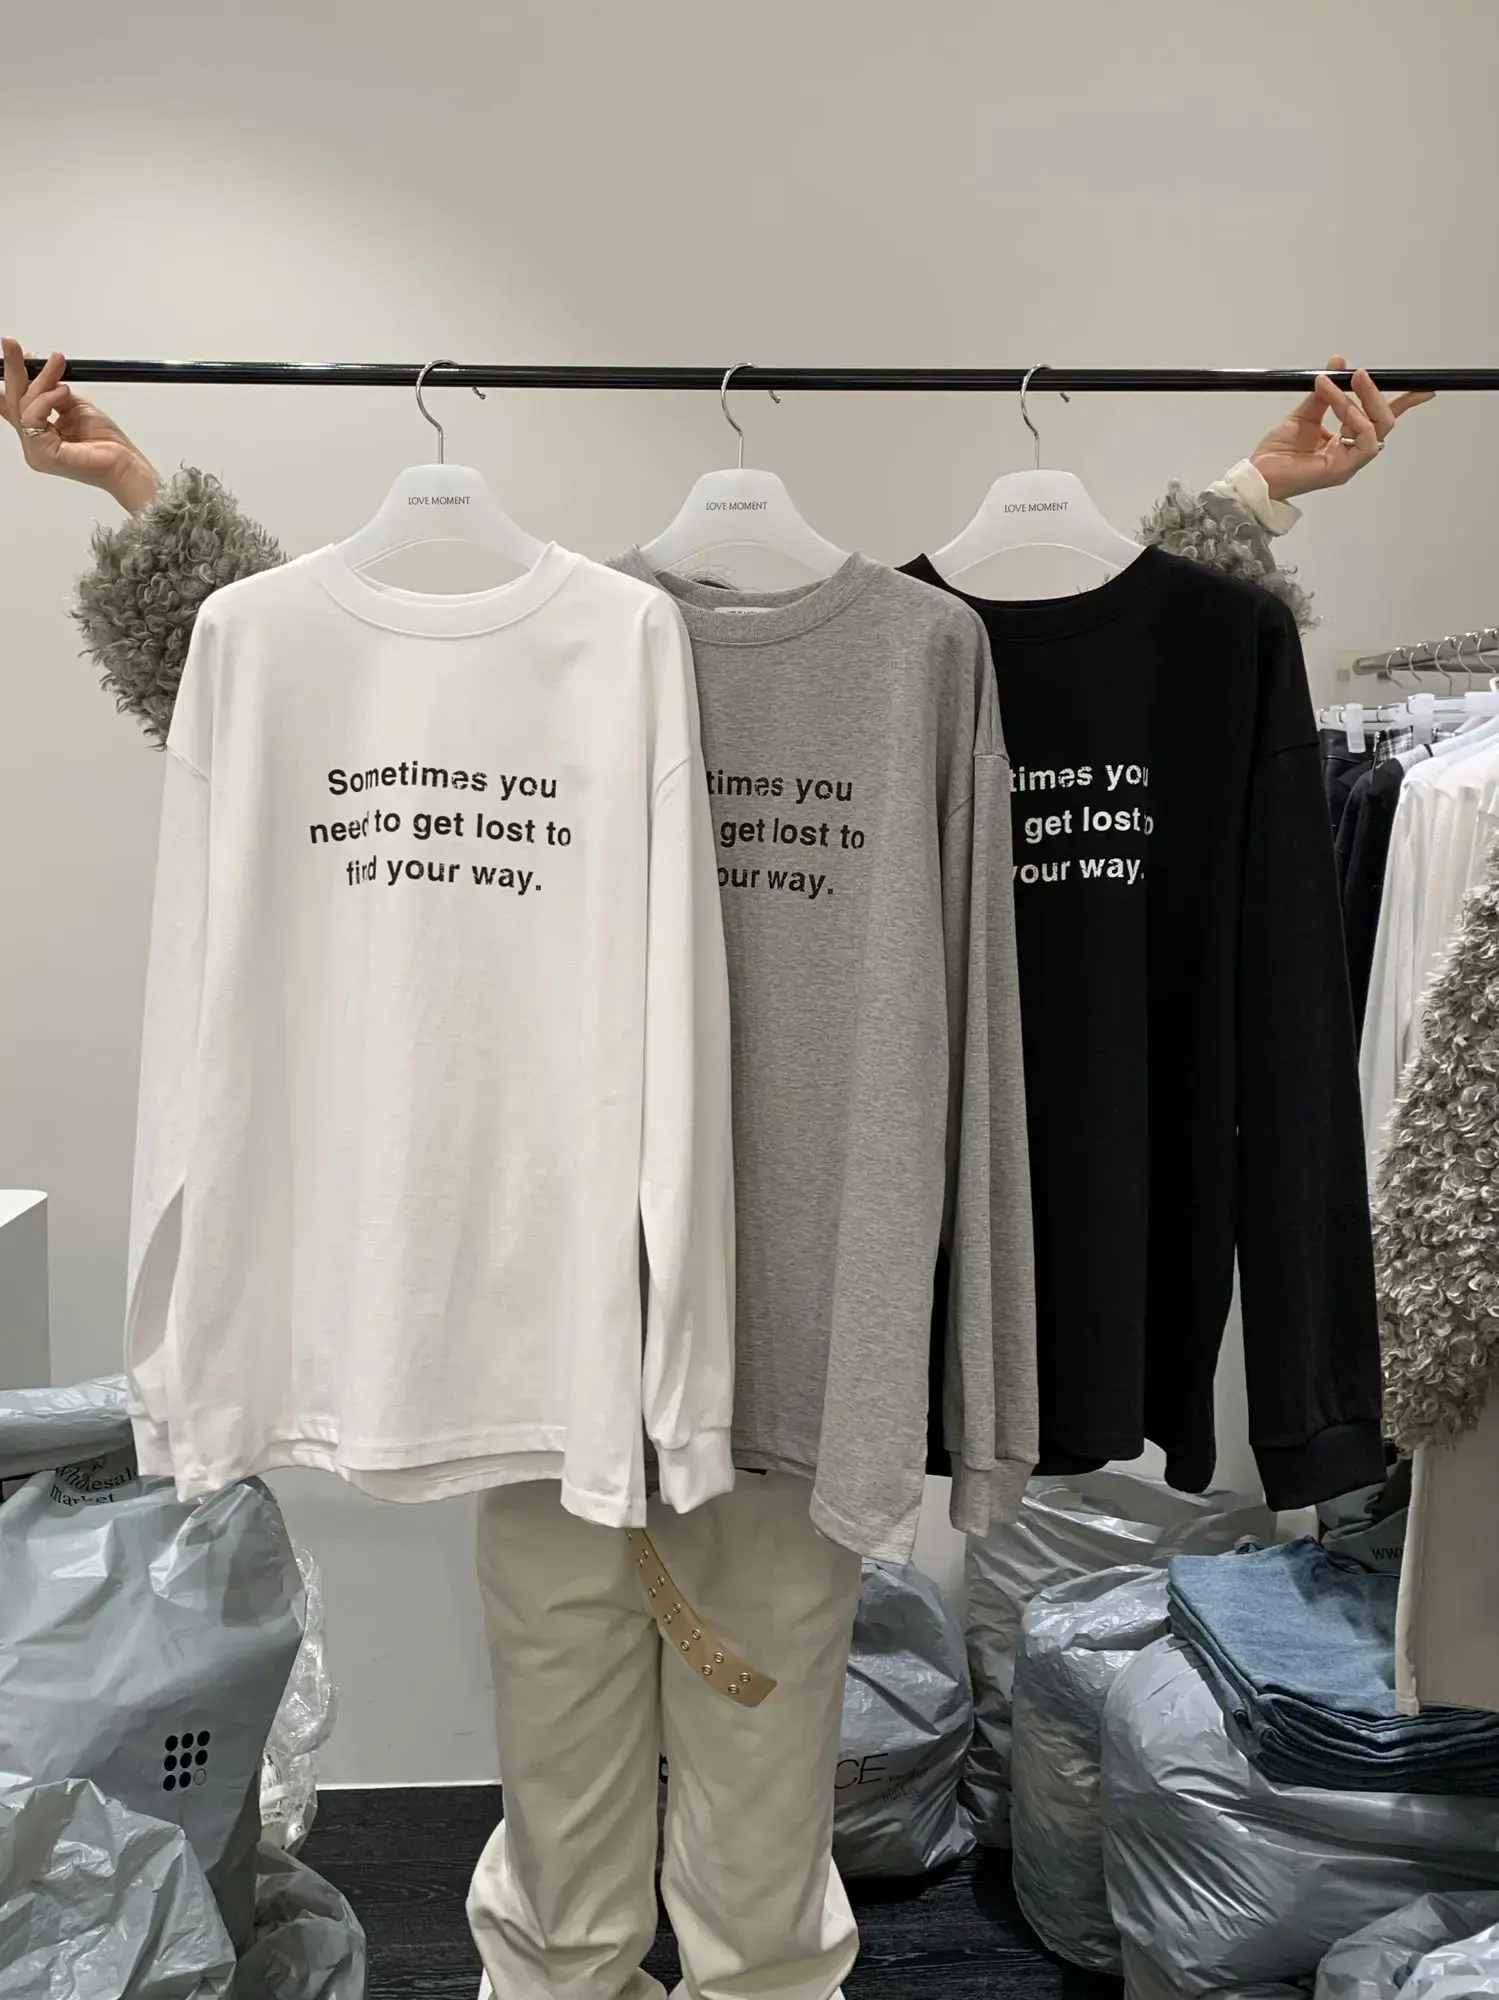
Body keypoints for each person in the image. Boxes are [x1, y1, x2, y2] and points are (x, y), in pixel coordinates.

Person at [0, 336, 1431, 2000]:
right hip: (559, 1335)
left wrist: (1249, 502)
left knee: (758, 1787)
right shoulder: (564, 635)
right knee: (564, 1786)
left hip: (794, 1319)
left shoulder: (910, 654)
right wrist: (135, 490)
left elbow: (1110, 658)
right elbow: (338, 687)